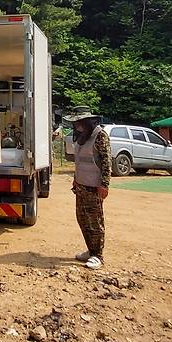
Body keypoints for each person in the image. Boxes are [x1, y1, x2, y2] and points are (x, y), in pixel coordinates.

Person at [65, 106, 111, 270]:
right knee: (82, 218)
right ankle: (91, 250)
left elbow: (106, 162)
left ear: (87, 121)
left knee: (95, 221)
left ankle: (98, 255)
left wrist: (104, 185)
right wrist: (76, 180)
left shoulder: (100, 136)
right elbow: (79, 161)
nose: (77, 125)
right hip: (82, 186)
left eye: (79, 122)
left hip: (94, 187)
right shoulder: (82, 137)